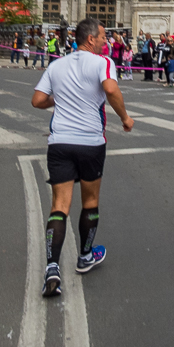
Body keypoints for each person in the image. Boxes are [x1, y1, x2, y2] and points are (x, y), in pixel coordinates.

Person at [31, 18, 135, 298]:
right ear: (90, 39)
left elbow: (38, 100)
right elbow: (111, 89)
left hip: (60, 142)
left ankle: (52, 268)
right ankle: (85, 255)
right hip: (90, 141)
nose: (106, 41)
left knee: (59, 205)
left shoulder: (56, 65)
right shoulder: (102, 63)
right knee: (90, 201)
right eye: (103, 37)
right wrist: (125, 118)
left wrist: (60, 98)